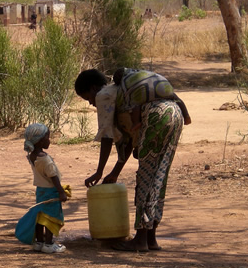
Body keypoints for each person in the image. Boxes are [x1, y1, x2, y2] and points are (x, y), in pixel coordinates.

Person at [74, 68, 191, 252]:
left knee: (145, 179)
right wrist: (114, 173)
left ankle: (141, 240)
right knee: (158, 178)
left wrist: (99, 171)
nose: (90, 103)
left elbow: (106, 137)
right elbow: (127, 142)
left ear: (93, 88)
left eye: (87, 97)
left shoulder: (104, 96)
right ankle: (151, 238)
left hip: (157, 116)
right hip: (174, 113)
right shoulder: (122, 95)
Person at [15, 123, 70, 253]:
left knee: (40, 216)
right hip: (51, 191)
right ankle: (49, 244)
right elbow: (53, 176)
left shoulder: (32, 156)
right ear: (40, 141)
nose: (49, 140)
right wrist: (61, 192)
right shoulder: (45, 159)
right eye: (47, 138)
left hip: (41, 191)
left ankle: (39, 242)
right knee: (51, 217)